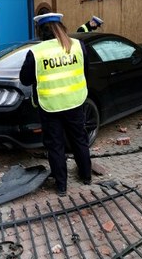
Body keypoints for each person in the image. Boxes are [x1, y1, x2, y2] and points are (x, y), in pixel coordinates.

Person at [19, 12, 92, 197]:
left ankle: (61, 187)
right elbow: (85, 69)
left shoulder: (37, 52)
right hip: (75, 102)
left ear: (40, 31)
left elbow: (25, 79)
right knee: (79, 140)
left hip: (50, 106)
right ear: (61, 27)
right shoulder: (77, 45)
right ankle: (86, 176)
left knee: (55, 146)